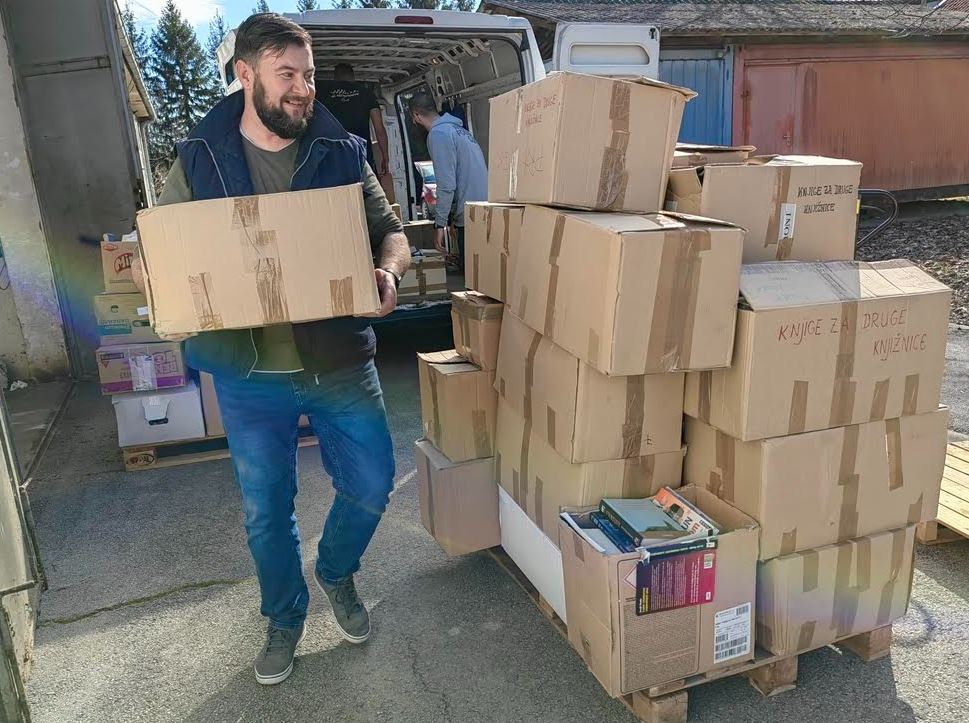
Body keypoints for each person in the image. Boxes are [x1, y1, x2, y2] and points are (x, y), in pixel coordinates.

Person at [137, 13, 409, 687]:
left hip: (339, 358)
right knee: (266, 512)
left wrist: (388, 272)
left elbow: (391, 231)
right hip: (249, 371)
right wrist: (162, 289)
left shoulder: (340, 150)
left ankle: (336, 570)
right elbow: (160, 249)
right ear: (245, 74)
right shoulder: (199, 157)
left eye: (308, 75)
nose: (303, 89)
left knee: (372, 482)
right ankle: (284, 617)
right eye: (287, 74)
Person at [409, 92, 487, 267]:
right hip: (482, 210)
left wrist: (439, 225)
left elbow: (446, 184)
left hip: (470, 216)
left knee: (472, 276)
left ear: (416, 115)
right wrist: (453, 219)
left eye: (413, 119)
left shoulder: (438, 135)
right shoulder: (459, 130)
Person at [319, 63, 390, 176]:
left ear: (335, 77)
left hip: (333, 156)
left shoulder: (323, 93)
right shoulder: (366, 93)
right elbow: (379, 129)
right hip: (361, 154)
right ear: (353, 76)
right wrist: (385, 157)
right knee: (365, 185)